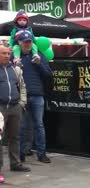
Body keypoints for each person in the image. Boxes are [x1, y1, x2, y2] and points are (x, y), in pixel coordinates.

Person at [17, 31, 52, 164]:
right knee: (23, 126)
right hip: (21, 96)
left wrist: (39, 64)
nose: (28, 44)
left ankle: (41, 154)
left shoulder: (39, 55)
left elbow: (48, 74)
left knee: (39, 125)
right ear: (19, 43)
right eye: (25, 42)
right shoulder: (15, 57)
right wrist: (15, 65)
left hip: (37, 95)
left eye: (30, 42)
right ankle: (21, 154)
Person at [0, 43, 30, 181]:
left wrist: (22, 102)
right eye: (3, 53)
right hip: (0, 108)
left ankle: (15, 163)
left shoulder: (15, 69)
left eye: (8, 53)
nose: (7, 55)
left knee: (15, 136)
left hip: (15, 106)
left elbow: (22, 86)